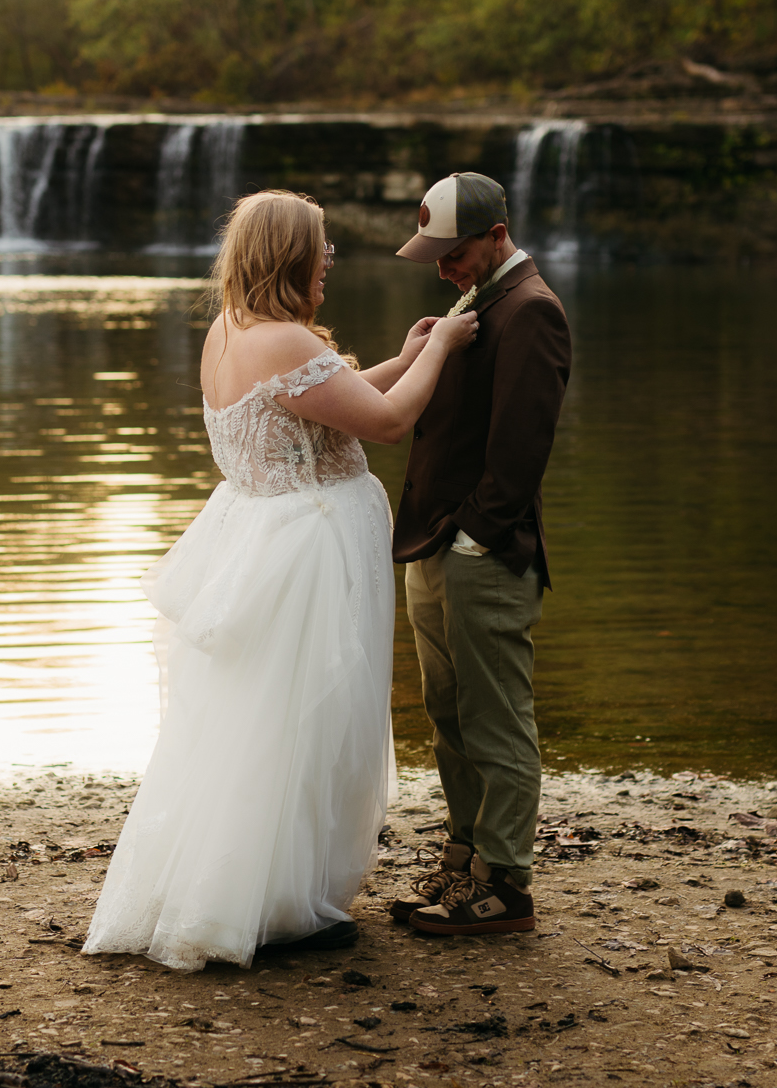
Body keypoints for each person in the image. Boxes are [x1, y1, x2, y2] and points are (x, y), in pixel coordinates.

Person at [82, 189, 480, 971]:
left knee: (254, 723)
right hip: (307, 551)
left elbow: (340, 401)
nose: (329, 261)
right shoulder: (288, 340)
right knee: (304, 725)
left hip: (260, 539)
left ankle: (244, 891)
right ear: (290, 257)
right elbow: (390, 421)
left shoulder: (233, 331)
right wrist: (444, 347)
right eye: (322, 249)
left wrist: (404, 352)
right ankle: (284, 905)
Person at [387, 172, 572, 936]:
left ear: (497, 235)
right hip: (436, 544)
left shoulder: (532, 310)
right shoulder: (479, 299)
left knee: (496, 722)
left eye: (453, 252)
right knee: (448, 714)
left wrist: (472, 537)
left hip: (481, 554)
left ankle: (507, 886)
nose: (441, 268)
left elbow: (521, 450)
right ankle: (461, 864)